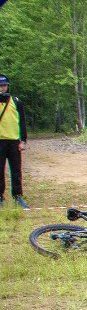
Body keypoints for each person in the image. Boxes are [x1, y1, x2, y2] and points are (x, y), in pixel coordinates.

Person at [0, 74, 29, 210]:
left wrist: (23, 140)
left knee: (16, 170)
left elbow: (22, 122)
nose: (3, 88)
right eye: (1, 86)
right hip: (0, 141)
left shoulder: (16, 102)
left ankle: (17, 196)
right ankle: (0, 197)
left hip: (13, 141)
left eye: (4, 85)